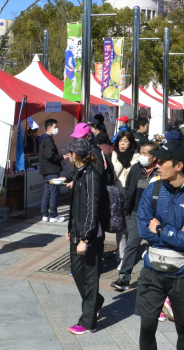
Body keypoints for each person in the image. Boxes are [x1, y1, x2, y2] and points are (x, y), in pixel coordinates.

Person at [136, 141, 184, 350]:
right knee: (147, 326)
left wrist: (162, 230)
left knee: (183, 329)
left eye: (161, 161)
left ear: (179, 165)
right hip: (152, 269)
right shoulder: (153, 189)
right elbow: (144, 231)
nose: (156, 165)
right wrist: (178, 234)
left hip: (183, 273)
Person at [65, 138, 105, 335]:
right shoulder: (79, 174)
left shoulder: (91, 176)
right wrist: (71, 229)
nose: (67, 156)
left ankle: (88, 322)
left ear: (74, 156)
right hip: (77, 233)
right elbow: (76, 207)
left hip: (89, 237)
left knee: (89, 278)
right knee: (76, 271)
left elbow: (92, 209)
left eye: (69, 153)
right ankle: (95, 301)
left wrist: (85, 238)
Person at [111, 142, 159, 291]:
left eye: (146, 154)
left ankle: (156, 278)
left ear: (155, 156)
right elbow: (129, 189)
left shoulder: (160, 170)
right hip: (136, 212)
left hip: (156, 216)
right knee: (132, 243)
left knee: (155, 245)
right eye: (141, 153)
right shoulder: (136, 168)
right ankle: (124, 277)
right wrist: (126, 207)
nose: (142, 156)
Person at [111, 130, 139, 263]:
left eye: (126, 141)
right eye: (120, 141)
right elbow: (114, 173)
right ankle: (122, 254)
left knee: (130, 225)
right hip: (118, 193)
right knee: (121, 226)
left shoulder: (136, 156)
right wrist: (121, 163)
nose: (122, 144)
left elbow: (135, 174)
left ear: (131, 142)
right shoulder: (114, 154)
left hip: (131, 193)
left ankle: (129, 251)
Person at [39, 119, 68, 223]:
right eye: (55, 127)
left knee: (47, 192)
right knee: (53, 193)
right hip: (51, 169)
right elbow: (50, 155)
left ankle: (45, 215)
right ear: (49, 128)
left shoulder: (42, 139)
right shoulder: (48, 140)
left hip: (46, 170)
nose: (56, 129)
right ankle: (53, 215)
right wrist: (62, 157)